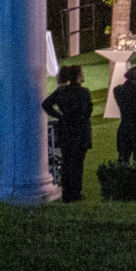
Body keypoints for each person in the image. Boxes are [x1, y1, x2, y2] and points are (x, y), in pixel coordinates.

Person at [43, 65, 93, 198]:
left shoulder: (61, 91)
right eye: (82, 73)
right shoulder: (84, 92)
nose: (84, 75)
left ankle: (66, 191)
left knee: (67, 160)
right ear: (78, 76)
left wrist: (60, 116)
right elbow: (88, 111)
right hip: (80, 130)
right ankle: (76, 191)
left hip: (66, 129)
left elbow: (46, 104)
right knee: (78, 162)